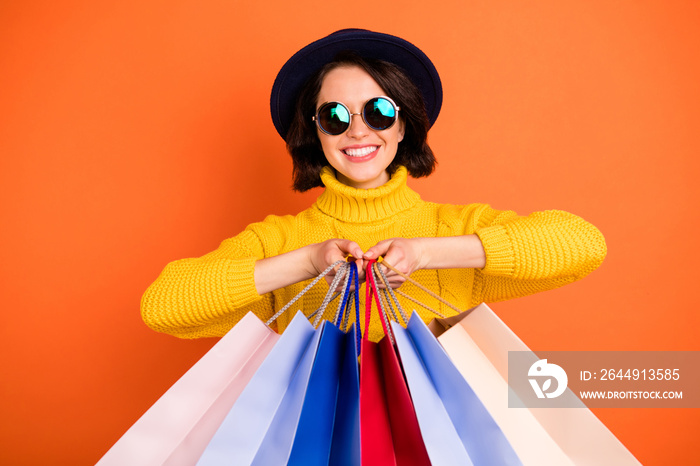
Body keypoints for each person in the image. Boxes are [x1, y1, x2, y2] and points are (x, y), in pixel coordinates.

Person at [141, 29, 606, 342]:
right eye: (335, 116)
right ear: (316, 132)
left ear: (403, 126)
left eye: (379, 111)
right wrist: (305, 262)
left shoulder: (451, 228)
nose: (358, 131)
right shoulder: (277, 241)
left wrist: (426, 253)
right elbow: (163, 305)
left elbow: (583, 244)